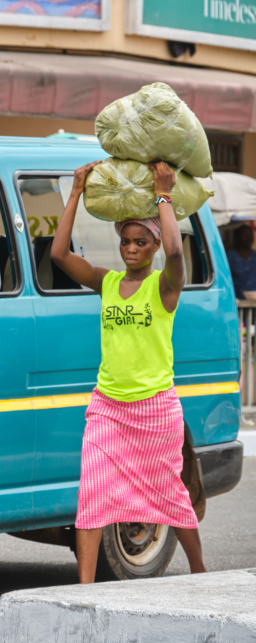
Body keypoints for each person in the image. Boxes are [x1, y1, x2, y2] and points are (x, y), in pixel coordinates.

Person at [50, 160, 207, 584]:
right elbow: (59, 255)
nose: (132, 249)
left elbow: (177, 253)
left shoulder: (165, 287)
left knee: (171, 496)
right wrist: (76, 193)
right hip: (108, 408)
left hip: (155, 410)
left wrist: (163, 196)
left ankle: (201, 574)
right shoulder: (106, 282)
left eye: (141, 242)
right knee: (93, 496)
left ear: (153, 246)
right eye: (126, 241)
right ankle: (84, 590)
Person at [227, 225, 256, 300]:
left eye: (250, 234)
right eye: (245, 235)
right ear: (237, 237)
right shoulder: (229, 257)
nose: (249, 237)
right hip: (236, 303)